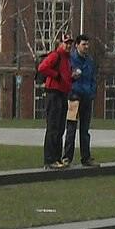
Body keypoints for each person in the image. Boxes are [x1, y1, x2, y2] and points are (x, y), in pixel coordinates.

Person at [37, 33, 73, 168]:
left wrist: (72, 78)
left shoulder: (67, 59)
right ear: (60, 43)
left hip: (63, 93)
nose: (69, 45)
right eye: (66, 43)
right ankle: (49, 159)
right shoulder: (55, 55)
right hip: (54, 93)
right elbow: (42, 67)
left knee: (60, 128)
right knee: (53, 127)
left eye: (70, 43)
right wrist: (56, 75)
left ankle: (57, 158)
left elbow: (66, 77)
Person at [62, 33, 98, 167]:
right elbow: (67, 77)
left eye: (87, 44)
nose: (86, 47)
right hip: (74, 98)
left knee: (85, 130)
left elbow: (93, 78)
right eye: (83, 44)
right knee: (71, 128)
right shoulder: (71, 59)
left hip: (87, 98)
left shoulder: (90, 61)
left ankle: (86, 157)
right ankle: (67, 158)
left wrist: (92, 92)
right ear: (77, 45)